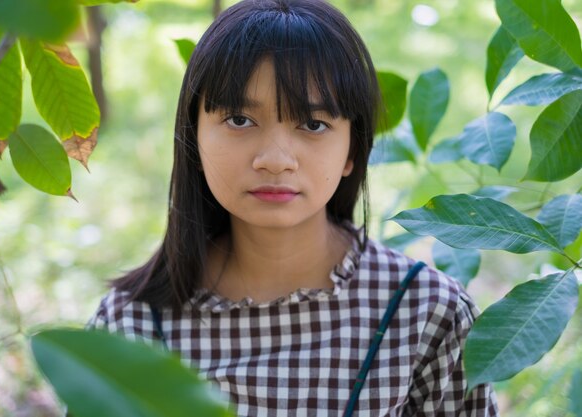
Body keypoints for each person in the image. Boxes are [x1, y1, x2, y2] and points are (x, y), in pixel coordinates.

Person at [88, 0, 499, 415]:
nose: (275, 158)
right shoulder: (129, 329)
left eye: (313, 124)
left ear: (353, 149)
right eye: (239, 120)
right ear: (193, 137)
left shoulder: (426, 315)